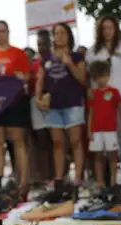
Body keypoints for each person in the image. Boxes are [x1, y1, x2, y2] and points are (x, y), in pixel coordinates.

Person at [0, 21, 32, 200]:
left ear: (8, 32)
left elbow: (26, 77)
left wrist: (20, 77)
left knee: (17, 140)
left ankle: (23, 182)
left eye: (2, 31)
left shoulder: (18, 54)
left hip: (14, 101)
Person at [36, 22, 87, 199]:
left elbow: (82, 79)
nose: (58, 36)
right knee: (57, 143)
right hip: (54, 106)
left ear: (68, 36)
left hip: (72, 104)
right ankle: (59, 178)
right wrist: (37, 98)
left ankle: (78, 178)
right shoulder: (47, 59)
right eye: (56, 34)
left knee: (75, 142)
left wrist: (70, 64)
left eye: (62, 33)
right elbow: (40, 80)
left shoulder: (77, 56)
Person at [88, 15, 121, 186]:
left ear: (115, 29)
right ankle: (108, 180)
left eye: (110, 28)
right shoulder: (93, 52)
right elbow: (90, 77)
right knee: (105, 142)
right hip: (101, 102)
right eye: (104, 28)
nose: (107, 31)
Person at [88, 60, 121, 201]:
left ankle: (114, 182)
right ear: (94, 78)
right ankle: (100, 183)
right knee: (98, 157)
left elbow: (120, 110)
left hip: (110, 130)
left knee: (112, 157)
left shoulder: (114, 92)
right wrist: (89, 130)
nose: (101, 80)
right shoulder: (93, 93)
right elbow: (90, 113)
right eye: (98, 77)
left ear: (109, 76)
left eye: (104, 76)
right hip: (96, 131)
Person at [29, 29, 54, 184]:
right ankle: (45, 177)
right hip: (36, 105)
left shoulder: (56, 59)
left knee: (55, 141)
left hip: (54, 103)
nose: (41, 47)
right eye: (38, 44)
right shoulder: (35, 64)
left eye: (44, 44)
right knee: (41, 142)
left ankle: (57, 176)